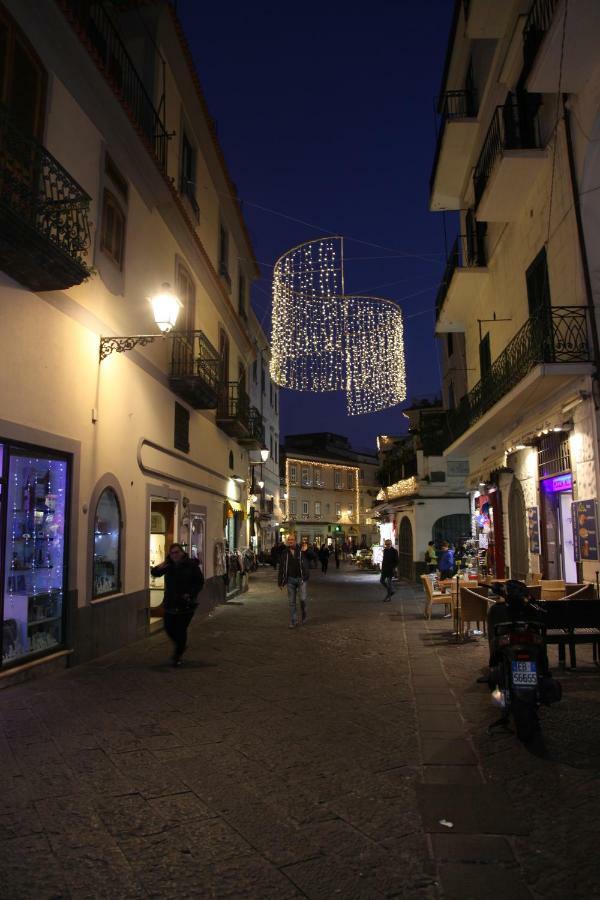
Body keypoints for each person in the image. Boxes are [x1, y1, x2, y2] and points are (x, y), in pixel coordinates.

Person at [151, 542, 204, 666]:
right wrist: (164, 563)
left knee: (180, 630)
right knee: (169, 627)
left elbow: (199, 582)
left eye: (176, 552)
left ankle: (177, 655)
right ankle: (181, 646)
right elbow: (155, 573)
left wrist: (190, 594)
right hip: (170, 602)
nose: (174, 555)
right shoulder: (169, 566)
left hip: (186, 604)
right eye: (172, 553)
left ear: (182, 552)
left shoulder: (191, 565)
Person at [278, 535, 312, 627]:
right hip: (290, 580)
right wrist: (280, 581)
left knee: (303, 599)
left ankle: (304, 615)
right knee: (292, 602)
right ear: (287, 541)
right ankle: (294, 621)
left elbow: (312, 556)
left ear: (295, 541)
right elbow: (281, 567)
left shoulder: (301, 550)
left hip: (301, 579)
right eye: (289, 540)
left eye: (292, 540)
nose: (290, 541)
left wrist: (307, 550)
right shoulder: (285, 552)